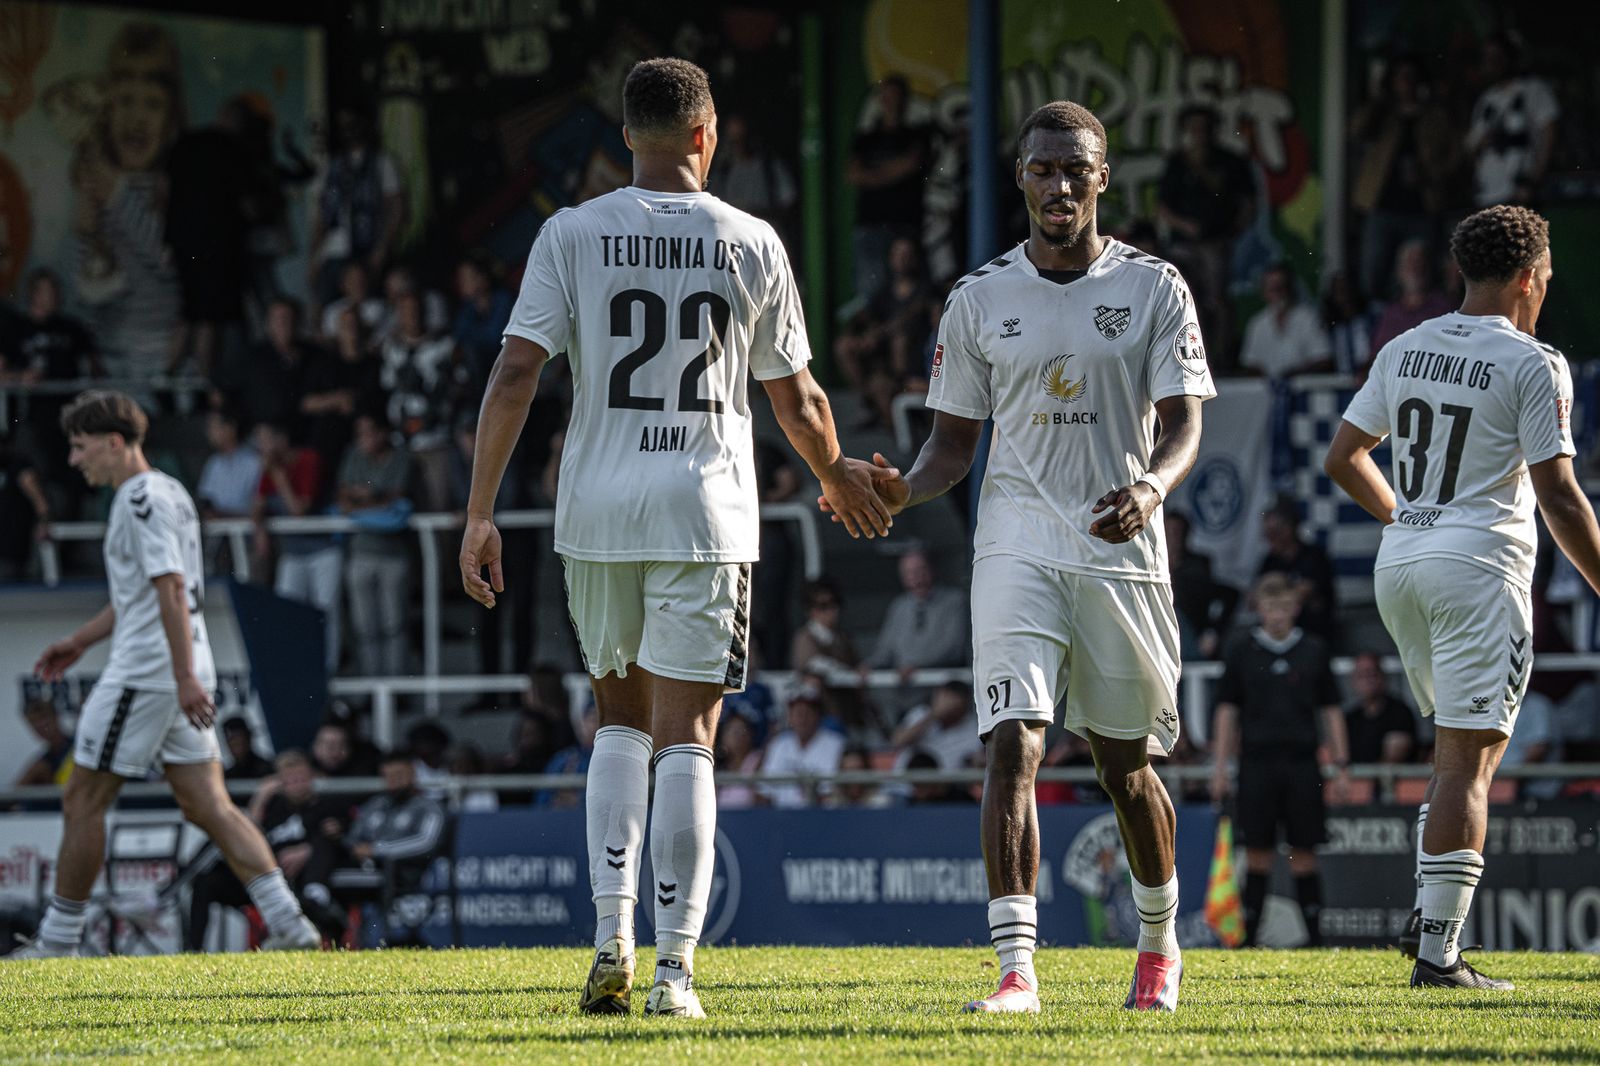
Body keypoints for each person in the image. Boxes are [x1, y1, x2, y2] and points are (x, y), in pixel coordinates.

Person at [458, 57, 890, 1019]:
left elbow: (514, 375)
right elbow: (798, 399)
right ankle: (674, 975)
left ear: (626, 137)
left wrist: (480, 512)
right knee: (688, 736)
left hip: (598, 514)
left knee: (616, 721)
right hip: (704, 513)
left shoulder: (570, 232)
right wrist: (836, 477)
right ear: (707, 133)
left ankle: (610, 937)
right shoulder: (751, 239)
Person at [846, 100, 1215, 1013]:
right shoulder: (978, 300)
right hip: (1016, 544)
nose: (1058, 186)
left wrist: (1151, 488)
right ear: (1020, 178)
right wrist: (900, 490)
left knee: (1125, 769)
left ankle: (1160, 945)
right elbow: (950, 450)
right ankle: (1017, 972)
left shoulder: (1156, 287)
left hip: (1120, 548)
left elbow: (1185, 425)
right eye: (1042, 169)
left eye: (1074, 169)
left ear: (1102, 178)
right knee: (1012, 740)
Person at [1324, 204, 1600, 989]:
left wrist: (1408, 520)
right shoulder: (1534, 362)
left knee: (1452, 756)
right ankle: (1439, 959)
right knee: (1467, 769)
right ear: (1528, 278)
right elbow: (1560, 496)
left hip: (1401, 566)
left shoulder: (1405, 346)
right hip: (1476, 572)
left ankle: (1428, 918)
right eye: (1547, 276)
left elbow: (1344, 458)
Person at [12, 390, 318, 959]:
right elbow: (144, 594)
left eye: (80, 447)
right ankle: (291, 922)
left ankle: (57, 942)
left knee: (82, 798)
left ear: (113, 443)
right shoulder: (171, 492)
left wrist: (180, 677)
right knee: (208, 805)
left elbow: (171, 588)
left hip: (149, 673)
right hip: (178, 667)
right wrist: (80, 641)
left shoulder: (138, 499)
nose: (75, 460)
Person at [1209, 572, 1350, 948]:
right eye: (1270, 606)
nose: (1277, 614)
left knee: (1304, 851)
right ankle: (1250, 941)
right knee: (1257, 852)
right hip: (1256, 763)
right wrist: (1220, 768)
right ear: (1258, 607)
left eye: (1284, 606)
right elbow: (1227, 711)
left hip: (1303, 763)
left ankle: (1315, 941)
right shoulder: (1241, 649)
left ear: (1296, 608)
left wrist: (1341, 767)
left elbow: (1331, 710)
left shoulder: (1314, 649)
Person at [187, 749, 352, 950]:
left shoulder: (325, 806)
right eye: (289, 780)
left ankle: (325, 921)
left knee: (312, 885)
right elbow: (245, 836)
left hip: (304, 880)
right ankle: (194, 948)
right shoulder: (273, 808)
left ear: (312, 778)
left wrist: (307, 850)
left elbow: (337, 839)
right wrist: (261, 797)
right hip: (267, 875)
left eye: (301, 779)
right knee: (206, 882)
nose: (296, 784)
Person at [1348, 55, 1461, 303]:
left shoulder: (1435, 116)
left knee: (1422, 276)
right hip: (1381, 206)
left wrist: (1429, 174)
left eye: (1411, 77)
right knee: (1373, 275)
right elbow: (1357, 130)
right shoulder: (1384, 114)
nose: (1406, 83)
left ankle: (1415, 319)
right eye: (1401, 77)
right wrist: (1380, 98)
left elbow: (1455, 157)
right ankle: (1388, 318)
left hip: (1422, 208)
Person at [1156, 105, 1255, 364]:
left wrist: (1233, 230)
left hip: (1216, 242)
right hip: (1183, 243)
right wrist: (1185, 226)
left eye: (1204, 126)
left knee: (1217, 299)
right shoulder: (1177, 162)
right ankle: (1194, 356)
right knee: (1185, 299)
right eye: (1194, 127)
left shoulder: (1230, 161)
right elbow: (1163, 206)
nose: (1199, 132)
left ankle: (1222, 357)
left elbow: (1247, 202)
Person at [252, 421, 341, 673]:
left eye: (265, 440)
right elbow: (256, 507)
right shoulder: (269, 468)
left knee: (325, 614)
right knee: (287, 613)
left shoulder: (307, 460)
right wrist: (260, 530)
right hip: (292, 554)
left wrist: (278, 476)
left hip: (323, 551)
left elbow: (298, 510)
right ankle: (293, 670)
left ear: (281, 440)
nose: (261, 447)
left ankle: (327, 671)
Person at [338, 412, 413, 678]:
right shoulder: (353, 456)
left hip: (394, 555)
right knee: (364, 626)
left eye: (369, 432)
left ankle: (396, 685)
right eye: (360, 434)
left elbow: (397, 499)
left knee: (395, 623)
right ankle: (371, 685)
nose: (364, 439)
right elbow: (344, 500)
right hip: (361, 553)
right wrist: (377, 501)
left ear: (383, 433)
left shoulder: (400, 458)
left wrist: (362, 502)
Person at [846, 76, 932, 304]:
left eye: (897, 96)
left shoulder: (916, 135)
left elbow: (912, 163)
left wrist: (872, 175)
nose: (892, 102)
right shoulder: (866, 138)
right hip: (870, 225)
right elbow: (853, 174)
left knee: (908, 292)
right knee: (870, 294)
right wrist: (895, 170)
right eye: (888, 96)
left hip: (904, 224)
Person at [308, 109, 405, 308]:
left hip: (368, 250)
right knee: (327, 307)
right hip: (334, 253)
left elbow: (397, 208)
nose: (349, 131)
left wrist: (382, 249)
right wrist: (313, 257)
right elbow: (322, 215)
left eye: (352, 124)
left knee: (371, 306)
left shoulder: (382, 163)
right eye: (343, 126)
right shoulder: (330, 166)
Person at [1467, 33, 1558, 209]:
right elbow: (1472, 145)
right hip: (1488, 194)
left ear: (1511, 57)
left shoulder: (1534, 89)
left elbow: (1550, 135)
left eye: (1498, 56)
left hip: (1520, 192)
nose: (1493, 63)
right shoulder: (1486, 99)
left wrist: (1533, 181)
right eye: (1488, 58)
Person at [861, 549, 969, 679]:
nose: (916, 577)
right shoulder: (899, 607)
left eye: (921, 569)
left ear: (932, 569)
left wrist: (917, 665)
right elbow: (885, 650)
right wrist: (869, 665)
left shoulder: (954, 601)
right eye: (909, 573)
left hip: (943, 683)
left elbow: (953, 648)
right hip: (904, 687)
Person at [1258, 494, 1338, 644]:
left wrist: (1274, 589)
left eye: (1274, 533)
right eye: (1267, 534)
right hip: (1276, 638)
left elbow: (1305, 592)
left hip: (1314, 634)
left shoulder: (1314, 556)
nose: (1270, 539)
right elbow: (1255, 597)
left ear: (1289, 529)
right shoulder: (1269, 561)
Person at [1239, 263, 1332, 378]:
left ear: (1291, 288)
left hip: (1304, 386)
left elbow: (1323, 359)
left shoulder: (1309, 318)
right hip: (1268, 388)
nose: (1277, 291)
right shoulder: (1256, 324)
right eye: (1272, 288)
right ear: (1264, 292)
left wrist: (1295, 375)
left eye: (1282, 286)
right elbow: (1250, 364)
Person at [758, 688, 844, 809]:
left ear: (818, 716)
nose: (802, 719)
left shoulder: (835, 744)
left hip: (820, 813)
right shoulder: (779, 744)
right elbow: (764, 792)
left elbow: (832, 792)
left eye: (807, 713)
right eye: (798, 713)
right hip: (781, 814)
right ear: (790, 717)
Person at [1370, 240, 1454, 357]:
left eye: (1419, 262)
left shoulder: (1444, 309)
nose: (1415, 268)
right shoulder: (1390, 313)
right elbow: (1376, 354)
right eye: (1409, 263)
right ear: (1399, 271)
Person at [1343, 652, 1418, 764]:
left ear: (1382, 677)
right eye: (1361, 675)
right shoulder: (1351, 718)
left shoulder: (1399, 713)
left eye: (1371, 674)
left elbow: (1394, 758)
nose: (1367, 680)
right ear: (1353, 681)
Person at [891, 680, 982, 771]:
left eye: (952, 700)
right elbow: (897, 741)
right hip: (904, 777)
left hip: (945, 778)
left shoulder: (973, 730)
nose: (947, 704)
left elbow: (975, 763)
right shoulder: (920, 714)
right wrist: (934, 715)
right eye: (944, 698)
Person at [196, 406, 261, 521]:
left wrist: (222, 515)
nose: (209, 433)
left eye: (214, 427)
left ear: (231, 427)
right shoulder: (214, 463)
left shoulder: (253, 461)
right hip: (218, 529)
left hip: (246, 528)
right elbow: (205, 500)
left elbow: (257, 509)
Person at [15, 699, 74, 788]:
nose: (40, 725)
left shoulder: (78, 747)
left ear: (55, 716)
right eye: (33, 721)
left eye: (43, 717)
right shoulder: (44, 761)